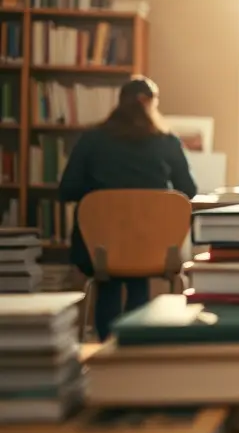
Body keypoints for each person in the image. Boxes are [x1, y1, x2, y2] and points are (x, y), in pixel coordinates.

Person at [58, 76, 199, 341]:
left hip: (100, 251)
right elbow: (188, 191)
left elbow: (67, 189)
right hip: (153, 247)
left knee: (109, 278)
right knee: (138, 272)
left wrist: (103, 192)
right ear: (151, 104)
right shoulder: (167, 142)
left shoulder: (91, 140)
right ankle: (136, 344)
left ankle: (105, 345)